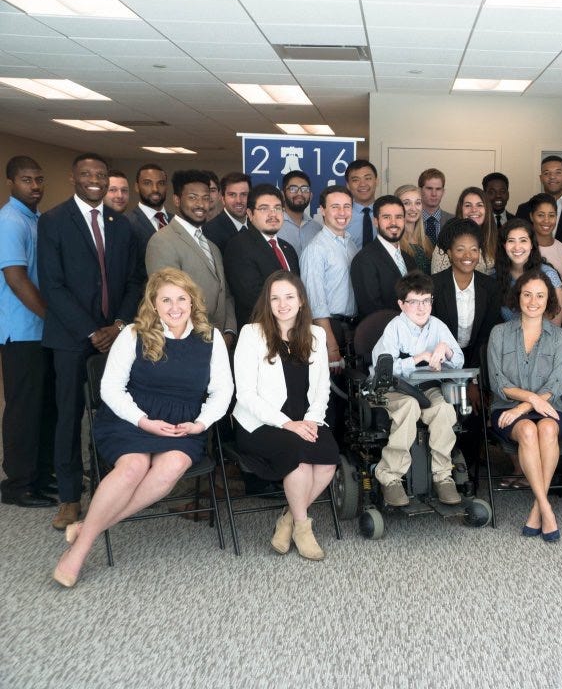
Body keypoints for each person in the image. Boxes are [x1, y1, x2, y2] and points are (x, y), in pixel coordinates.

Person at [52, 268, 233, 586]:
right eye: (166, 300)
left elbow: (223, 390)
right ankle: (80, 549)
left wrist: (200, 423)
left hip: (182, 424)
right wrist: (143, 421)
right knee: (133, 467)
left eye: (181, 299)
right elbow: (110, 388)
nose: (175, 307)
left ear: (192, 301)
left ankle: (88, 528)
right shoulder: (134, 334)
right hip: (131, 419)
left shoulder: (210, 338)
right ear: (153, 303)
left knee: (172, 466)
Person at [38, 152, 145, 530]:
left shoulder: (121, 224)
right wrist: (91, 331)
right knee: (69, 416)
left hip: (116, 336)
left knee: (114, 410)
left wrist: (117, 325)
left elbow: (135, 281)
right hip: (71, 338)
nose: (95, 180)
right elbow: (52, 285)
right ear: (74, 178)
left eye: (100, 174)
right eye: (87, 174)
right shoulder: (53, 221)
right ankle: (69, 498)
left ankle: (108, 487)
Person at [232, 271, 338, 560]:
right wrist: (288, 424)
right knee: (300, 461)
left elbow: (322, 388)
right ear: (267, 303)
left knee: (327, 460)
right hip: (261, 423)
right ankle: (303, 528)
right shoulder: (251, 334)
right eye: (275, 298)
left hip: (305, 418)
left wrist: (311, 420)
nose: (283, 304)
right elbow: (246, 395)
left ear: (301, 300)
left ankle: (288, 519)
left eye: (289, 297)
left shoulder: (315, 334)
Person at [487, 269, 562, 542]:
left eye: (540, 296)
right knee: (526, 431)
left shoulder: (560, 337)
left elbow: (555, 386)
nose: (533, 301)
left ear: (549, 300)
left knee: (546, 429)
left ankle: (538, 509)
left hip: (549, 407)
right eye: (527, 294)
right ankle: (547, 508)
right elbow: (498, 382)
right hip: (505, 407)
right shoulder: (499, 333)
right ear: (518, 297)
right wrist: (529, 400)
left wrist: (525, 406)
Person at [370, 271, 465, 507]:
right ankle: (390, 476)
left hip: (426, 387)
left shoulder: (438, 326)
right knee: (409, 406)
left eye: (426, 300)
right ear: (401, 304)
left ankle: (443, 475)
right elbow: (384, 368)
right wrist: (417, 358)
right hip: (392, 388)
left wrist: (446, 350)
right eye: (414, 301)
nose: (421, 307)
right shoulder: (394, 328)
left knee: (443, 409)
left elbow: (459, 361)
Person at [1, 155, 57, 508]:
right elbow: (16, 278)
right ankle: (18, 484)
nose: (35, 186)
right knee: (23, 410)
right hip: (22, 333)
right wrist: (52, 318)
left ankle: (40, 475)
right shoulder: (9, 221)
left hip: (41, 332)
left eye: (38, 179)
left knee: (45, 406)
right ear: (11, 182)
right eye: (26, 180)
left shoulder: (36, 218)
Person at [431, 221, 502, 472]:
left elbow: (487, 335)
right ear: (449, 253)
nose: (467, 255)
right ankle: (442, 467)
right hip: (439, 361)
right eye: (460, 249)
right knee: (443, 409)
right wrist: (452, 375)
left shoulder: (490, 287)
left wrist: (471, 379)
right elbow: (431, 335)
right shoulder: (434, 285)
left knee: (473, 408)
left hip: (475, 358)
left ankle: (469, 470)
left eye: (473, 249)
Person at [145, 169, 237, 345]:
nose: (201, 204)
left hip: (219, 341)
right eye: (193, 197)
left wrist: (229, 331)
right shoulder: (162, 241)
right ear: (177, 200)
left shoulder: (212, 246)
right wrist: (203, 338)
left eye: (205, 198)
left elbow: (225, 294)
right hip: (187, 343)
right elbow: (169, 302)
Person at [223, 184, 300, 329]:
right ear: (250, 214)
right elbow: (252, 298)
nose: (273, 214)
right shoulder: (239, 246)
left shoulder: (288, 249)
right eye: (264, 209)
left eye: (277, 208)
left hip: (294, 329)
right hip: (261, 331)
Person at [300, 186, 358, 369]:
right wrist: (331, 345)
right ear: (323, 210)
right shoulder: (316, 249)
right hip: (330, 329)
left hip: (351, 329)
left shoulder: (351, 244)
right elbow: (315, 301)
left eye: (347, 206)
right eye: (335, 207)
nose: (342, 212)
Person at [351, 195, 414, 319]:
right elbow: (371, 310)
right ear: (375, 221)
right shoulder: (364, 260)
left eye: (398, 217)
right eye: (386, 217)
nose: (393, 223)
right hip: (382, 329)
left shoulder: (409, 260)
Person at [494, 218, 562, 323]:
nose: (517, 247)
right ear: (504, 245)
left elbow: (555, 327)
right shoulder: (495, 276)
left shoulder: (549, 276)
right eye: (511, 241)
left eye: (523, 240)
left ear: (532, 244)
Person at [514, 155, 562, 245]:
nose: (552, 177)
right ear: (541, 178)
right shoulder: (525, 209)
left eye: (558, 172)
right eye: (547, 173)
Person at [431, 187, 498, 275]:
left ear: (487, 210)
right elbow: (437, 276)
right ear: (461, 209)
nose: (474, 210)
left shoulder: (493, 236)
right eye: (468, 205)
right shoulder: (447, 237)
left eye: (479, 205)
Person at [277, 170, 321, 256]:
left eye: (305, 189)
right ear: (282, 195)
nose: (300, 193)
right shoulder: (273, 225)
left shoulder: (317, 229)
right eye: (293, 189)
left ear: (311, 196)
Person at [203, 172, 250, 254]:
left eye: (244, 194)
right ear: (223, 199)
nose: (238, 200)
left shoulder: (258, 226)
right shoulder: (208, 232)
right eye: (232, 195)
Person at [528, 192, 562, 277]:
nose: (546, 220)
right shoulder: (523, 248)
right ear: (531, 216)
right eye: (541, 215)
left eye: (551, 215)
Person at [396, 183, 434, 274]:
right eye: (406, 203)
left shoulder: (427, 241)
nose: (413, 208)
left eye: (417, 203)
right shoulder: (394, 243)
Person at [345, 159, 378, 250]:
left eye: (368, 178)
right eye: (355, 180)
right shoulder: (341, 216)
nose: (363, 184)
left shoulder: (387, 213)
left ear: (376, 181)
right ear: (348, 185)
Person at [418, 168, 453, 244]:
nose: (434, 194)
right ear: (420, 191)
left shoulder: (454, 221)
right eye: (429, 188)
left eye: (438, 189)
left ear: (443, 192)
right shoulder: (411, 220)